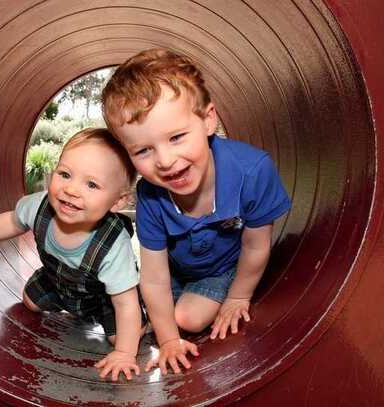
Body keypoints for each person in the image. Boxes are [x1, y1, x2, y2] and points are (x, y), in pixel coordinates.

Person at [101, 48, 291, 375]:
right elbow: (155, 276)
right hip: (178, 270)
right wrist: (169, 341)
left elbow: (256, 245)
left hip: (225, 267)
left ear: (208, 120)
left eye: (176, 137)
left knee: (186, 317)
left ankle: (215, 294)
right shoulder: (151, 195)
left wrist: (238, 297)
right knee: (131, 311)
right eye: (143, 150)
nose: (164, 160)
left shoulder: (252, 171)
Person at [0, 128, 147, 381]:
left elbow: (124, 303)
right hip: (57, 280)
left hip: (104, 297)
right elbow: (11, 221)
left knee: (120, 335)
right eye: (65, 174)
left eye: (91, 184)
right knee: (29, 301)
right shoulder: (40, 205)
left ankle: (143, 320)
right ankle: (68, 305)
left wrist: (125, 353)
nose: (71, 189)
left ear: (118, 202)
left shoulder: (113, 245)